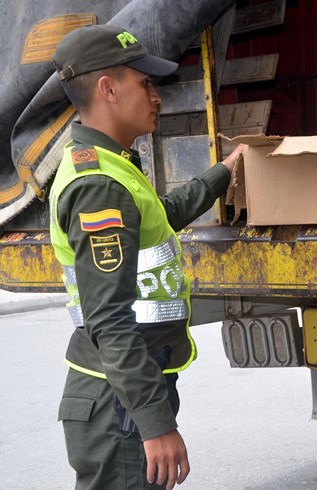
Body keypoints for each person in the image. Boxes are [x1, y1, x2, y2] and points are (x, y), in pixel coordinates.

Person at [49, 24, 245, 489]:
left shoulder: (112, 165)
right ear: (108, 89)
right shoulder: (98, 185)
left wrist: (222, 173)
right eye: (146, 83)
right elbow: (110, 320)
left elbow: (158, 217)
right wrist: (155, 424)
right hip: (118, 405)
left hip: (122, 394)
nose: (156, 96)